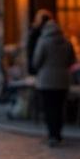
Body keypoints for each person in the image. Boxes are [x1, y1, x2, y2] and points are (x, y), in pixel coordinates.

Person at [32, 13, 75, 146]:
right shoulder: (67, 42)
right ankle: (58, 134)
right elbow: (72, 60)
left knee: (49, 108)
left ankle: (52, 135)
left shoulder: (43, 41)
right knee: (59, 108)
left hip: (46, 80)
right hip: (63, 80)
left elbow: (36, 61)